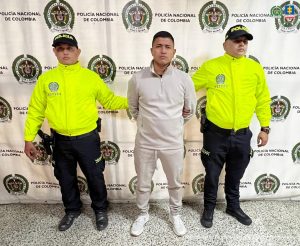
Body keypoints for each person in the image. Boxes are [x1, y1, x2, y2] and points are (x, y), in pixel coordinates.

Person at [24, 33, 128, 231]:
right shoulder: (47, 80)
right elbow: (36, 110)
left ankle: (100, 209)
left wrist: (135, 102)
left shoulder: (90, 77)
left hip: (87, 139)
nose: (65, 52)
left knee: (95, 176)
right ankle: (72, 209)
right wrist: (28, 138)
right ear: (54, 51)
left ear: (77, 51)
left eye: (69, 48)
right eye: (60, 48)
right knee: (65, 177)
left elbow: (110, 101)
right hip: (60, 140)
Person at [192, 25, 271, 228]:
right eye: (237, 40)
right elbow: (187, 87)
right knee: (211, 174)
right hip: (215, 134)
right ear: (225, 44)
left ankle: (232, 206)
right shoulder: (211, 67)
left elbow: (262, 99)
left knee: (235, 173)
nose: (242, 44)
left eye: (245, 40)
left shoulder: (254, 68)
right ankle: (208, 208)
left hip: (242, 135)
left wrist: (265, 127)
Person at [127, 31, 197, 237]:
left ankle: (175, 214)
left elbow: (189, 110)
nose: (163, 50)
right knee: (142, 181)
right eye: (159, 46)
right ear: (152, 50)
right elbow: (133, 108)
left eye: (167, 47)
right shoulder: (137, 78)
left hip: (173, 143)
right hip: (145, 143)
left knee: (174, 182)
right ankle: (142, 214)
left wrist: (172, 125)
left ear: (174, 51)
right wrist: (148, 124)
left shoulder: (184, 79)